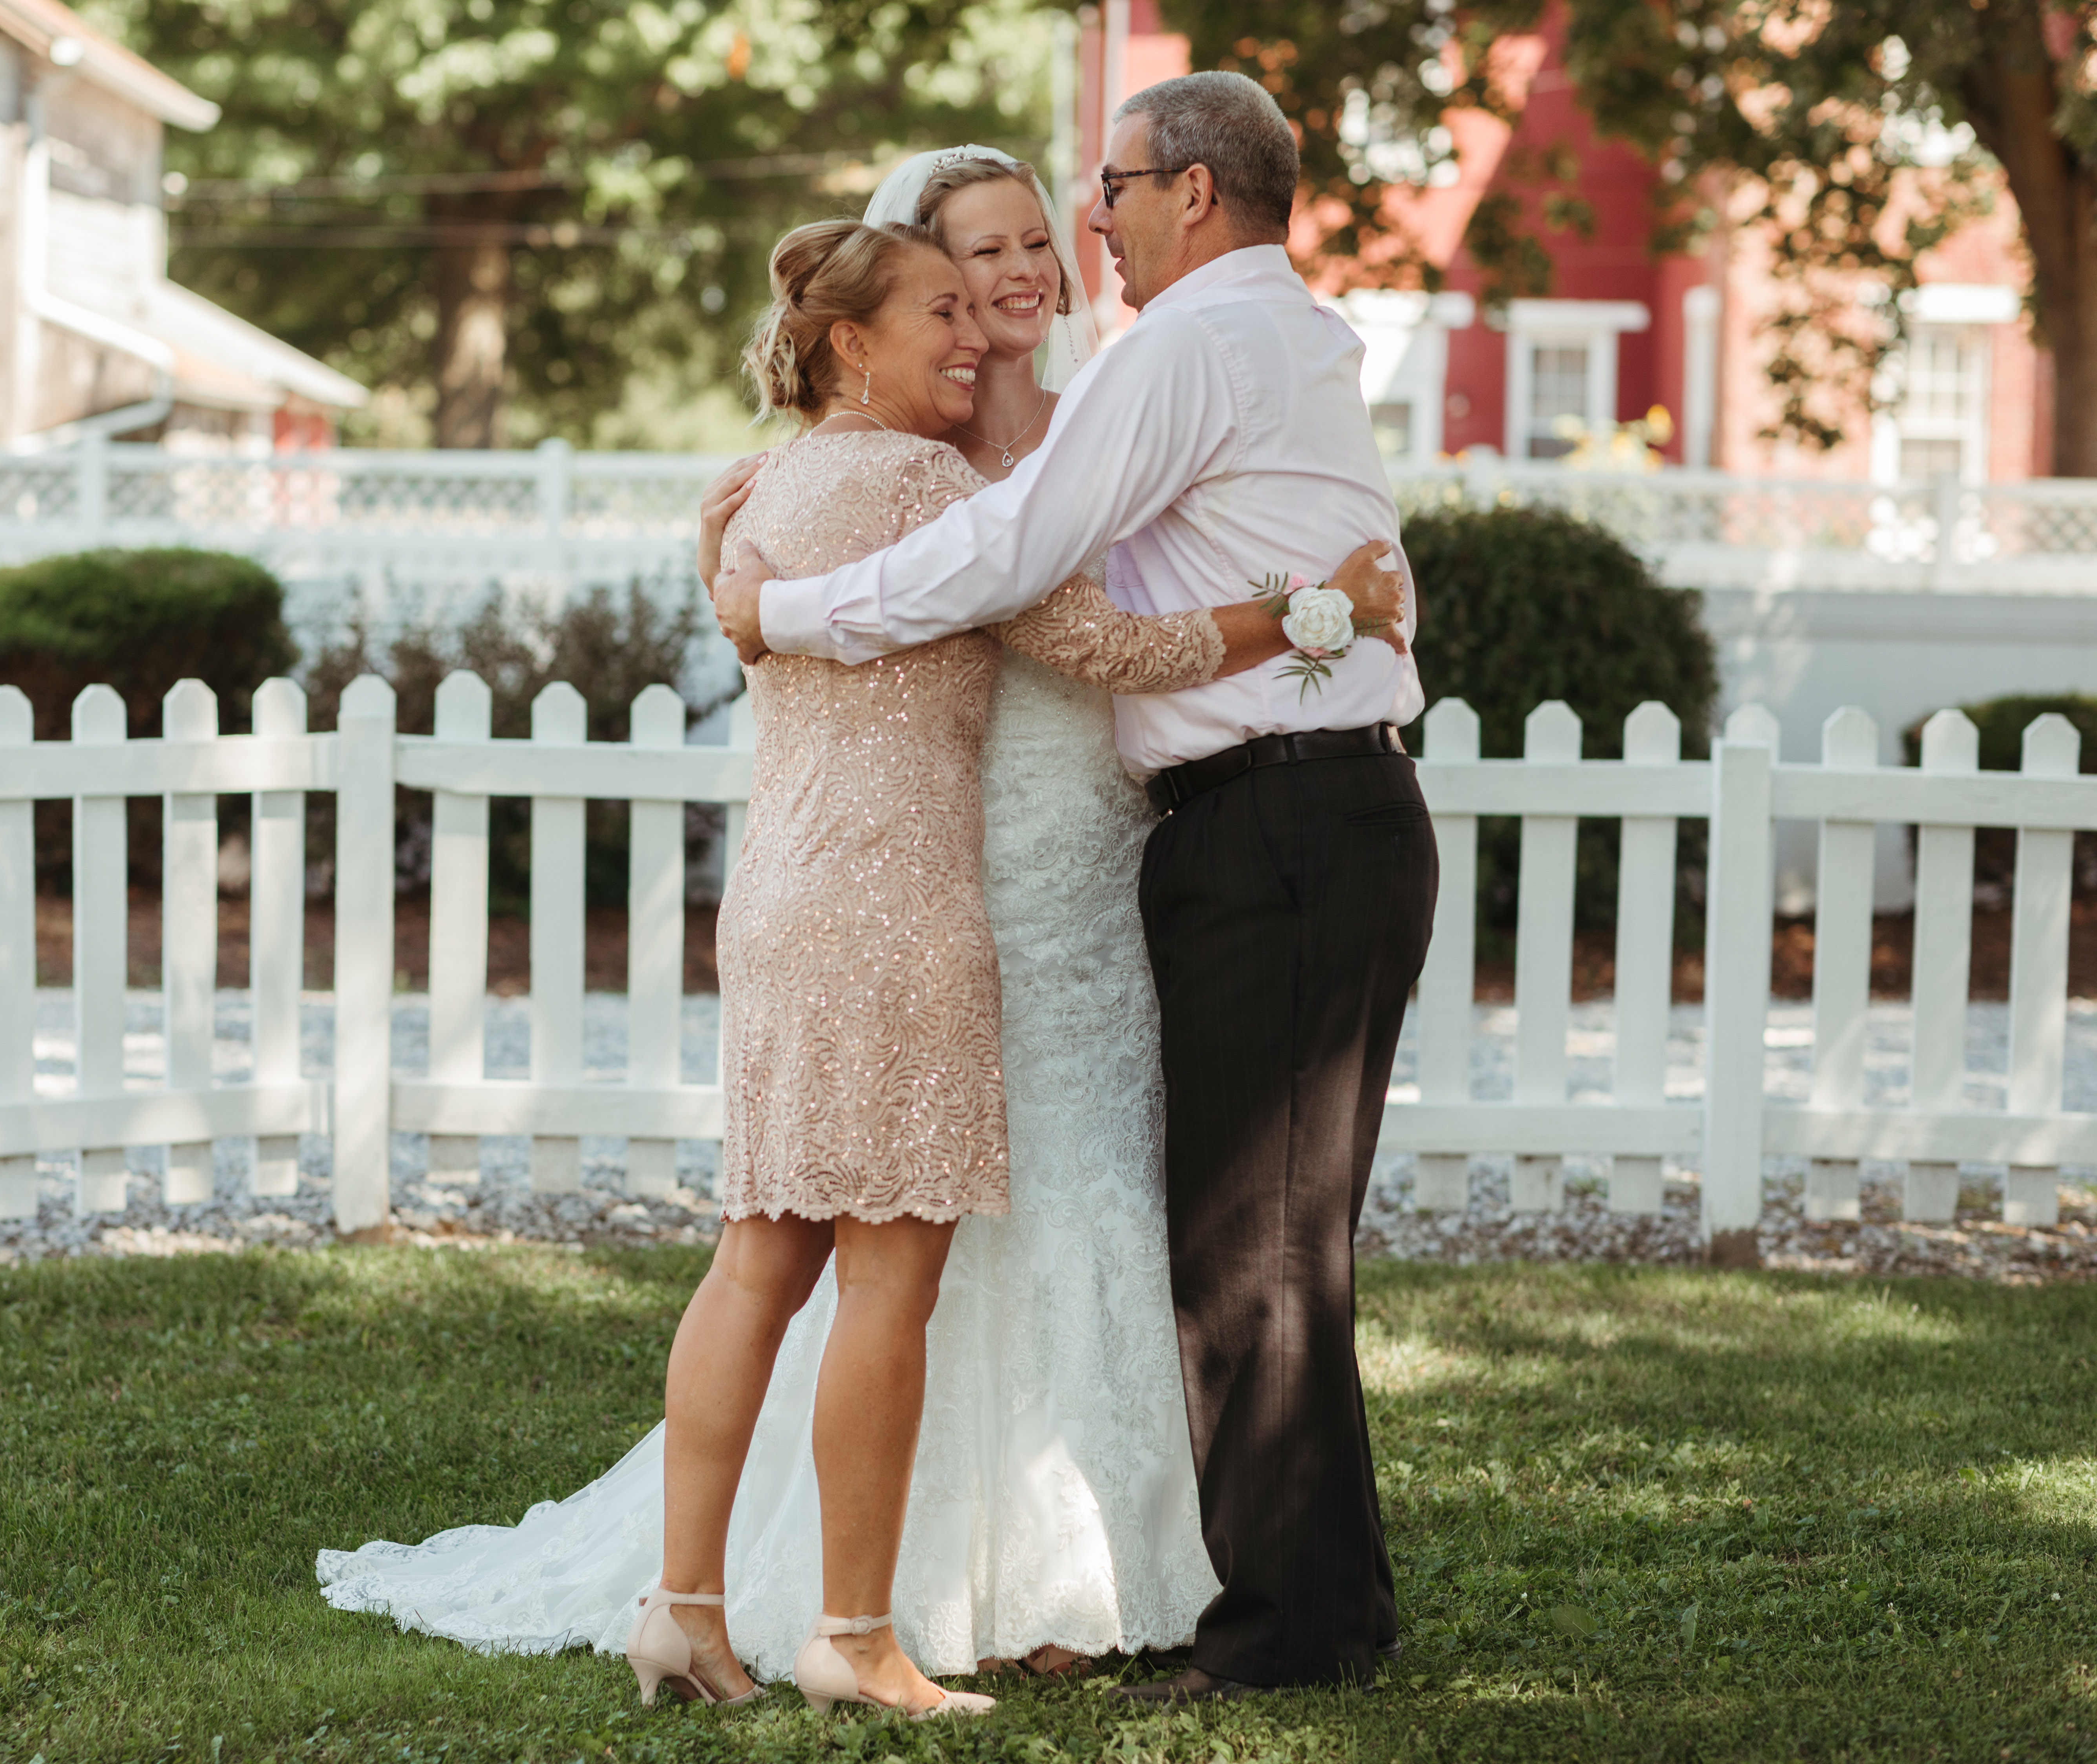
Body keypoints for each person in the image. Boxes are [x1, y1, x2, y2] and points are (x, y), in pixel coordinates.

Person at [319, 211, 1401, 1706]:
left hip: (780, 905)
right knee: (892, 1281)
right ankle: (853, 1637)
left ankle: (685, 1613)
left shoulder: (763, 490)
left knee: (759, 1256)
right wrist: (1323, 607)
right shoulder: (929, 486)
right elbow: (1119, 652)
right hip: (900, 918)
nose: (972, 333)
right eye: (938, 312)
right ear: (850, 342)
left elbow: (759, 629)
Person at [711, 75, 1439, 1703]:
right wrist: (1314, 612)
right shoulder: (1280, 335)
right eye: (979, 260)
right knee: (1277, 1239)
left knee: (1253, 1243)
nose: (1082, 230)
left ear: (1193, 192)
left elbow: (1018, 560)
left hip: (1268, 819)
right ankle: (1321, 1602)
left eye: (1102, 194)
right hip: (1247, 819)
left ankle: (1288, 1626)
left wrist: (785, 610)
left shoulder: (1178, 350)